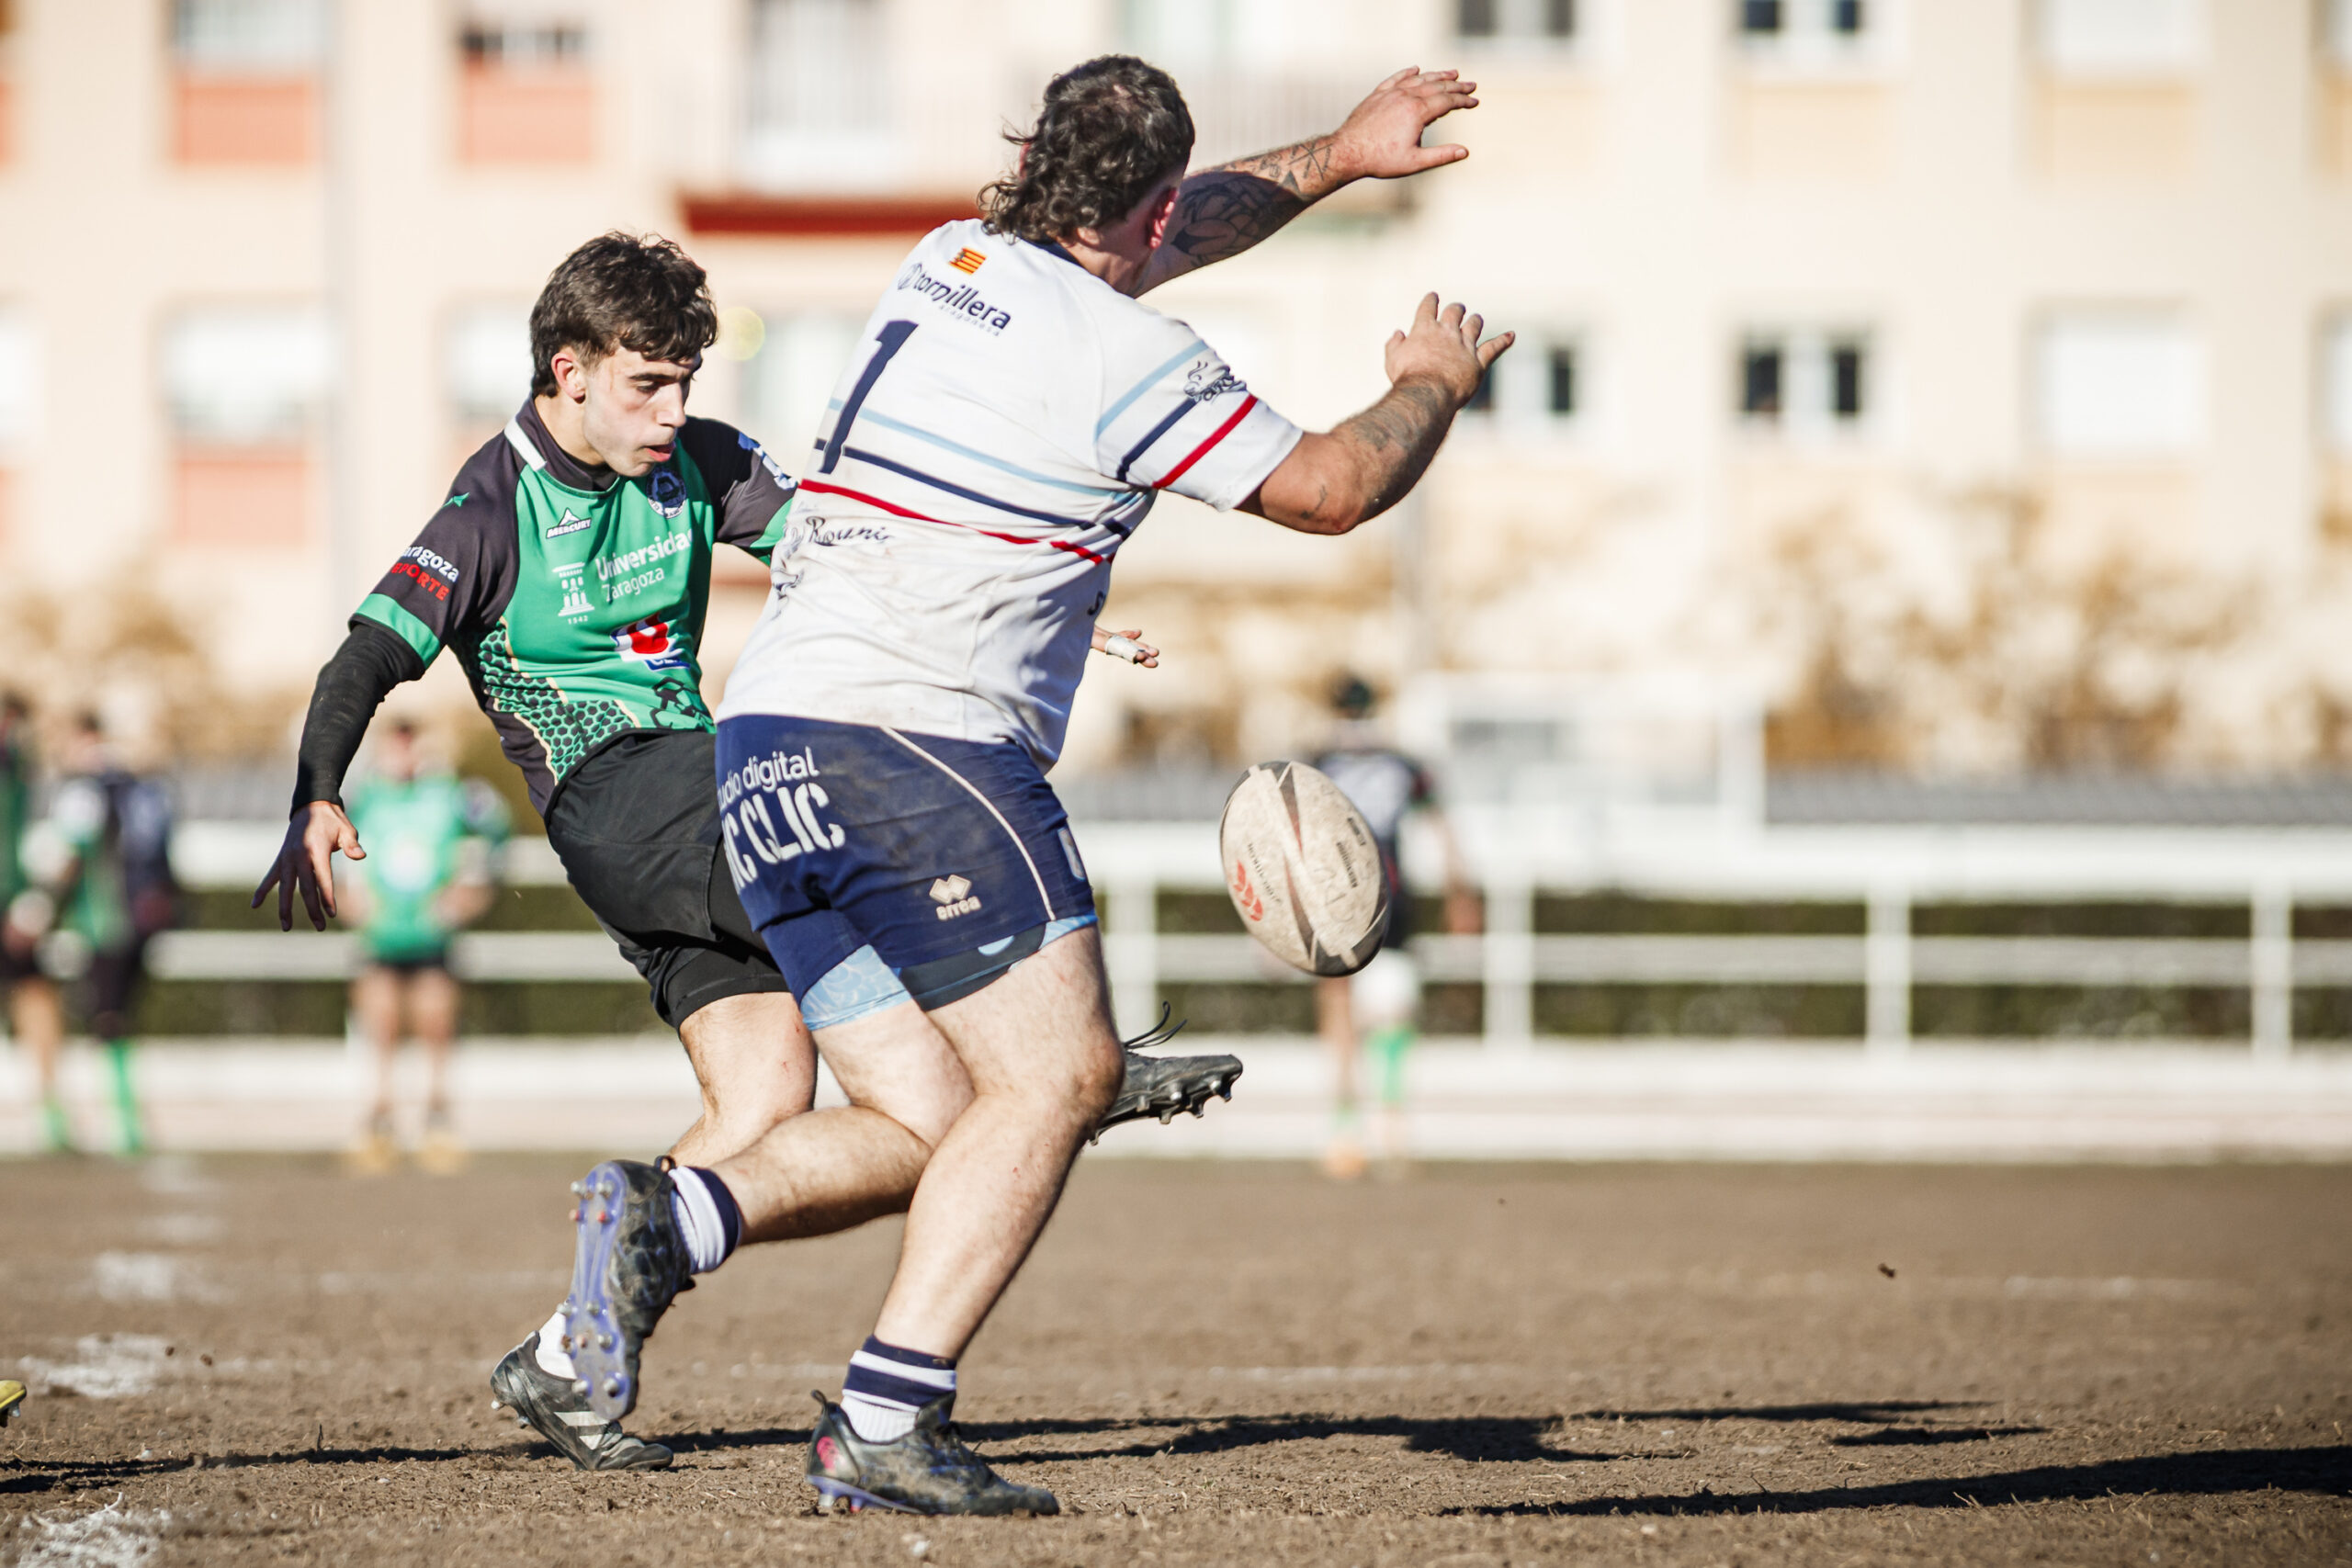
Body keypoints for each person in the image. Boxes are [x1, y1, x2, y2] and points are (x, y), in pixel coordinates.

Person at [558, 56, 1510, 1516]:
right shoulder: (1131, 356)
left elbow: (1168, 231)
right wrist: (1426, 387)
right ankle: (886, 1416)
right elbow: (1326, 487)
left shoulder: (950, 261)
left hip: (770, 744)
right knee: (1059, 1073)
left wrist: (1340, 157)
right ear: (1159, 198)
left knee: (939, 1109)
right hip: (920, 746)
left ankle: (673, 1213)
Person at [252, 232, 1235, 1472]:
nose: (672, 413)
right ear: (568, 371)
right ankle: (1070, 1060)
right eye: (644, 386)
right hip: (626, 799)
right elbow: (366, 652)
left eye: (684, 384)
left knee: (783, 1105)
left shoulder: (699, 464)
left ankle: (563, 1356)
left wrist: (1036, 610)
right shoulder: (490, 503)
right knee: (874, 823)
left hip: (692, 811)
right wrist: (315, 789)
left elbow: (843, 549)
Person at [1311, 674, 1479, 1179]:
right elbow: (1443, 827)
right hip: (1389, 896)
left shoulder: (1318, 763)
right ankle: (1384, 1124)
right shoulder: (1401, 764)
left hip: (1338, 900)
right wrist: (1460, 892)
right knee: (1391, 1013)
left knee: (1345, 1010)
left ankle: (1351, 1129)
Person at [338, 719, 510, 1175]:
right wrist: (343, 892)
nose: (403, 756)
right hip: (381, 931)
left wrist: (475, 887)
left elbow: (499, 828)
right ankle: (379, 1119)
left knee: (436, 1025)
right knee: (381, 1026)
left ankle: (438, 1118)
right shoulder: (363, 796)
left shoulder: (450, 794)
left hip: (432, 931)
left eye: (410, 745)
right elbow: (321, 835)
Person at [45, 713, 178, 1156]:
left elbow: (67, 859)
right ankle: (128, 1117)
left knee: (107, 1017)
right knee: (121, 1014)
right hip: (142, 919)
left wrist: (41, 906)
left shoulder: (85, 792)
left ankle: (121, 1121)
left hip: (105, 920)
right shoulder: (144, 788)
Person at [0, 695, 69, 1153]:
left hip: (12, 901)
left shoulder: (22, 769)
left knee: (36, 997)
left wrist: (30, 902)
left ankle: (50, 1112)